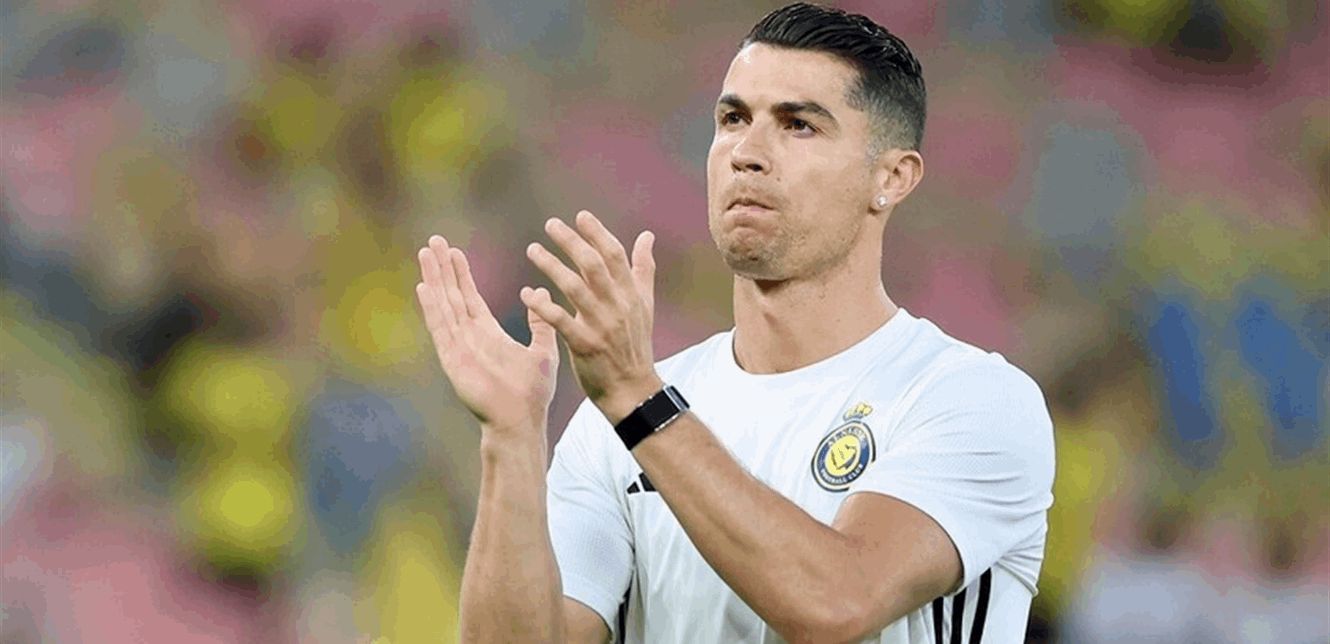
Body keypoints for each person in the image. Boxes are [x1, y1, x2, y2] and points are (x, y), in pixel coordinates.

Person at [414, 3, 1055, 642]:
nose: (747, 152)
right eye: (733, 119)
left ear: (891, 176)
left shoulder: (970, 399)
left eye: (799, 125)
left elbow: (837, 603)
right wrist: (511, 438)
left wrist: (637, 397)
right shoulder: (612, 426)